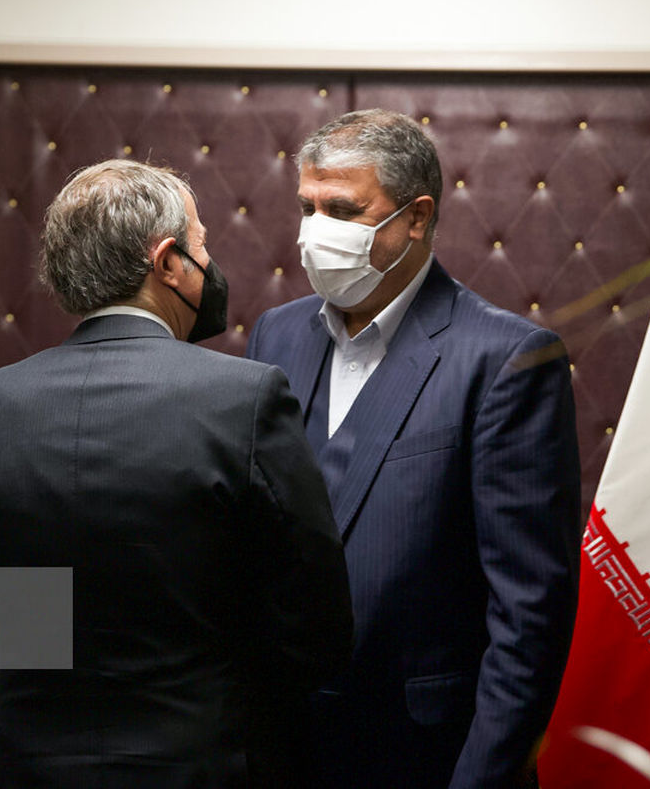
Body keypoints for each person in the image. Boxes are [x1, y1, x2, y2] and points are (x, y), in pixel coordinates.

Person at [0, 159, 353, 788]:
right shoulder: (245, 398)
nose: (210, 264)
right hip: (201, 766)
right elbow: (317, 630)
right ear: (167, 262)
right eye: (202, 245)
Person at [246, 109, 581, 788]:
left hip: (425, 753)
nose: (316, 232)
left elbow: (530, 617)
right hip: (283, 749)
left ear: (417, 217)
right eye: (308, 208)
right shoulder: (275, 335)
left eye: (343, 210)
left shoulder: (507, 359)